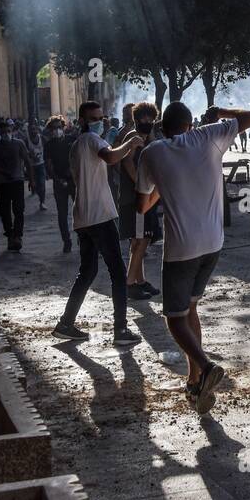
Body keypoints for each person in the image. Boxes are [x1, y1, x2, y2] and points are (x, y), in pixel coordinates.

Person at [136, 103, 250, 413]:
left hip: (181, 248)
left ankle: (205, 366)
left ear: (163, 128)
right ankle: (194, 382)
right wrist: (221, 112)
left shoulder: (152, 153)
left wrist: (166, 185)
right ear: (190, 124)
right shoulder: (210, 136)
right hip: (213, 243)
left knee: (174, 317)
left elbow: (142, 206)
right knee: (191, 308)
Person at [53, 101, 143, 346]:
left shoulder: (78, 145)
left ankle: (66, 323)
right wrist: (131, 143)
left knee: (88, 271)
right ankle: (121, 330)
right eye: (94, 118)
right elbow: (112, 157)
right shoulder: (92, 140)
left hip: (84, 217)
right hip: (99, 216)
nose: (99, 121)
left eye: (101, 117)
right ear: (82, 120)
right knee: (117, 272)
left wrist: (123, 141)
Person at [117, 102, 161, 301]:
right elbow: (126, 161)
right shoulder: (133, 136)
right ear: (137, 119)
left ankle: (140, 280)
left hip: (142, 196)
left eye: (151, 118)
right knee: (141, 240)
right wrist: (140, 184)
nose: (149, 122)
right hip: (135, 198)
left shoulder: (145, 136)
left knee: (139, 239)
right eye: (145, 118)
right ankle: (129, 284)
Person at [0, 119, 33, 252]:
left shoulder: (19, 144)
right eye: (3, 132)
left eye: (8, 131)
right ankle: (10, 235)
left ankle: (18, 236)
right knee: (5, 211)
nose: (6, 134)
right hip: (2, 183)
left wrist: (32, 179)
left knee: (19, 210)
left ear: (12, 131)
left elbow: (27, 161)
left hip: (17, 181)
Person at [44, 116, 75, 253]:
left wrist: (73, 172)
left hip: (73, 181)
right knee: (62, 214)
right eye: (54, 128)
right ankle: (66, 241)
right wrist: (58, 180)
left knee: (79, 211)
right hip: (59, 182)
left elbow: (77, 159)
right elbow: (49, 166)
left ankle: (82, 237)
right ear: (50, 130)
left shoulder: (70, 141)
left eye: (59, 127)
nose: (57, 130)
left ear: (64, 127)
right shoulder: (49, 145)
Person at [24, 120, 47, 211]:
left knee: (42, 183)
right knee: (35, 185)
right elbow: (25, 153)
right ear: (29, 131)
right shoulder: (26, 141)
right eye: (31, 130)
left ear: (37, 129)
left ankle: (42, 202)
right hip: (31, 166)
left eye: (34, 129)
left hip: (41, 164)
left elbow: (47, 149)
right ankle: (38, 194)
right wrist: (30, 155)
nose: (33, 131)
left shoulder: (42, 138)